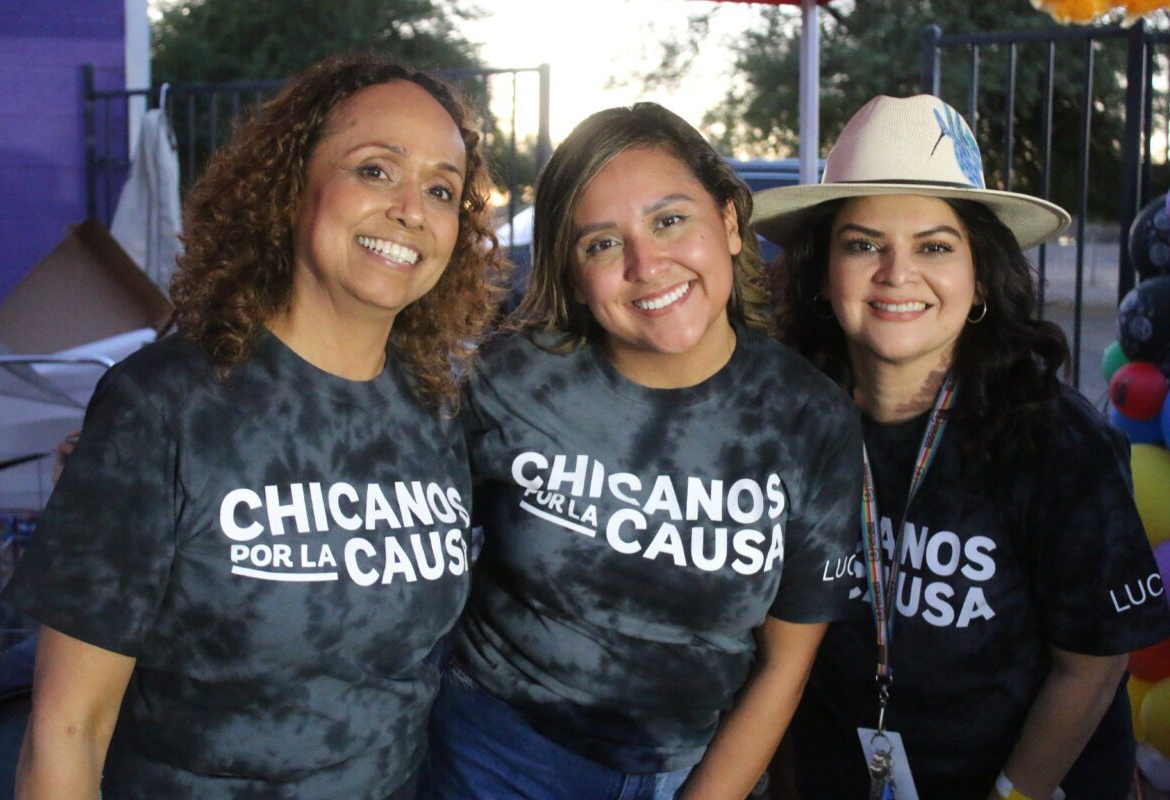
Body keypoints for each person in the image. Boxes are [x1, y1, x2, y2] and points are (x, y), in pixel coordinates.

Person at [4, 54, 505, 800]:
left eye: (441, 189)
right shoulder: (164, 407)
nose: (411, 209)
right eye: (375, 170)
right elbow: (68, 732)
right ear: (290, 186)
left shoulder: (435, 409)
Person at [423, 102, 863, 800]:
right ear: (571, 273)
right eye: (601, 243)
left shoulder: (808, 419)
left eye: (669, 220)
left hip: (690, 768)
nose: (645, 264)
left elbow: (787, 661)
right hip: (495, 757)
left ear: (726, 221)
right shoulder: (510, 382)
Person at [753, 94, 1170, 800]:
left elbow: (1092, 666)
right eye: (863, 244)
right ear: (824, 273)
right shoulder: (784, 426)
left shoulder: (1056, 440)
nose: (896, 272)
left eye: (935, 246)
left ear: (979, 276)